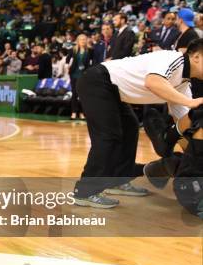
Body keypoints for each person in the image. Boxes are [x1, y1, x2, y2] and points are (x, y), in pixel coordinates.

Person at [73, 40, 203, 208]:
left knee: (130, 129)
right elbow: (153, 82)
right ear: (197, 57)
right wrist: (190, 102)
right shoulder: (174, 59)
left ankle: (117, 181)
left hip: (114, 91)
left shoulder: (183, 83)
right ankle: (84, 191)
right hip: (97, 81)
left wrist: (194, 155)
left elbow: (185, 120)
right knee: (108, 136)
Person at [67, 34, 92, 120]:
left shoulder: (89, 50)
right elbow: (67, 59)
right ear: (78, 41)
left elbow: (91, 62)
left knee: (82, 95)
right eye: (81, 40)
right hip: (74, 74)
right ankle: (74, 112)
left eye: (84, 39)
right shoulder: (73, 50)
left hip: (84, 75)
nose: (83, 41)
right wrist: (68, 66)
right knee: (74, 94)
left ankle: (82, 113)